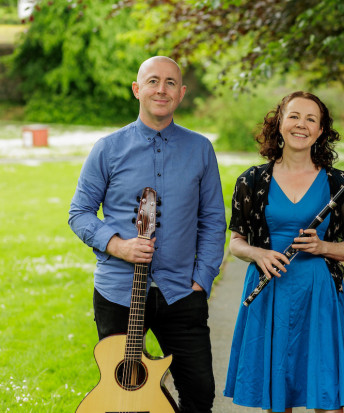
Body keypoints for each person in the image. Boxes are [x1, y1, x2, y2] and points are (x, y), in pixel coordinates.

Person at [68, 56, 226, 412]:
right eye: (153, 81)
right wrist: (118, 245)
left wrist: (203, 277)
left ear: (181, 93)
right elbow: (78, 212)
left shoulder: (200, 149)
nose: (161, 89)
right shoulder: (107, 149)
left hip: (182, 291)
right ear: (137, 90)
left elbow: (214, 219)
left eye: (171, 82)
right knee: (125, 395)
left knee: (199, 391)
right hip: (118, 292)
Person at [223, 91, 344, 412]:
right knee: (278, 393)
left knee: (326, 392)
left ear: (320, 131)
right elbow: (236, 243)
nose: (301, 125)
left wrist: (323, 246)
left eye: (311, 119)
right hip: (270, 288)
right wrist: (258, 254)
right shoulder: (251, 180)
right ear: (279, 124)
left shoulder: (338, 183)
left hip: (319, 292)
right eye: (294, 116)